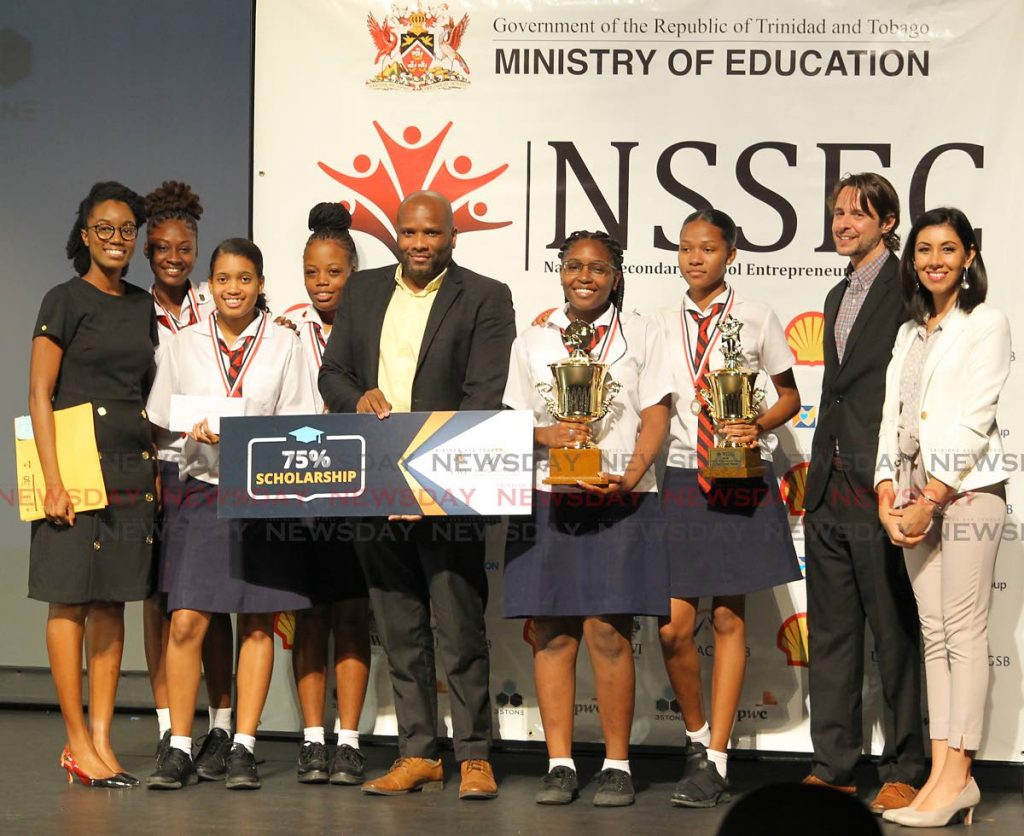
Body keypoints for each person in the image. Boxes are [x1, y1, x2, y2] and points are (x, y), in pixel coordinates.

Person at [319, 190, 515, 800]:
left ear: (452, 236)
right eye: (409, 233)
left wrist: (427, 482)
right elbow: (333, 372)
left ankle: (475, 756)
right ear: (396, 236)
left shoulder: (485, 295)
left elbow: (483, 396)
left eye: (431, 234)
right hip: (375, 483)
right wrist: (358, 398)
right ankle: (417, 753)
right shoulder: (363, 290)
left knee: (457, 623)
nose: (420, 244)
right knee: (398, 624)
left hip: (448, 484)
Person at [503, 230, 672, 807]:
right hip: (549, 492)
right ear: (560, 272)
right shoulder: (533, 339)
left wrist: (632, 474)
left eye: (598, 268)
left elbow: (656, 417)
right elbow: (514, 419)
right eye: (574, 265)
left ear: (616, 275)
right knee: (551, 632)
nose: (585, 277)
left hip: (620, 495)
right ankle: (558, 763)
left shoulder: (644, 334)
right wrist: (545, 435)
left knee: (607, 631)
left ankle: (618, 764)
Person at [145, 238, 317, 791]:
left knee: (258, 620)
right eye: (222, 279)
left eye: (244, 279)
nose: (233, 289)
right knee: (188, 618)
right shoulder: (182, 344)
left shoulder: (286, 344)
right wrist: (187, 432)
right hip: (200, 488)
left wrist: (253, 436)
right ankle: (177, 743)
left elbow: (302, 420)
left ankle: (243, 744)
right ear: (209, 285)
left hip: (263, 491)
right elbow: (159, 421)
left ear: (262, 284)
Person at [654, 209, 802, 807]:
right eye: (686, 248)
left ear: (730, 254)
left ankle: (717, 757)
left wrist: (755, 424)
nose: (695, 258)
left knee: (729, 618)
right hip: (686, 474)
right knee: (671, 626)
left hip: (739, 471)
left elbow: (790, 395)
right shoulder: (659, 323)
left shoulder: (757, 316)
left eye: (708, 248)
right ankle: (696, 736)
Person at [874, 208, 1009, 828]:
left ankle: (961, 774)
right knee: (934, 635)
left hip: (966, 493)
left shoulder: (986, 323)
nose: (934, 259)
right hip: (908, 499)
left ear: (969, 257)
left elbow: (976, 418)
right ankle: (938, 772)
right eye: (924, 248)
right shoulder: (908, 333)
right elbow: (890, 417)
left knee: (963, 631)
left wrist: (931, 496)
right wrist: (885, 489)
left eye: (947, 249)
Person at [802, 173, 926, 811]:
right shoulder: (834, 293)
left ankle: (908, 764)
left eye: (858, 213)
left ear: (887, 222)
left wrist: (905, 478)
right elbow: (838, 389)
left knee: (894, 632)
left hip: (881, 483)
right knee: (831, 633)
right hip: (827, 484)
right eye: (838, 212)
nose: (844, 222)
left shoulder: (910, 285)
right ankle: (835, 764)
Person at [28, 181, 155, 787]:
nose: (115, 239)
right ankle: (75, 740)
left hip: (130, 466)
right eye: (104, 228)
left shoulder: (141, 303)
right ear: (85, 234)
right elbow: (39, 394)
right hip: (73, 464)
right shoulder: (63, 298)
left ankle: (102, 740)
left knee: (112, 601)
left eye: (126, 229)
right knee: (69, 598)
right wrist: (53, 480)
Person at [142, 180, 234, 772]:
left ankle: (221, 725)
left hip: (216, 471)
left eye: (184, 248)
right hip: (155, 462)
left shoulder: (216, 300)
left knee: (213, 600)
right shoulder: (134, 309)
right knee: (162, 600)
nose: (175, 258)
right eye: (162, 249)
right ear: (149, 251)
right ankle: (167, 726)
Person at [289, 203, 372, 786]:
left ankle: (349, 739)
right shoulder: (286, 328)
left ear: (353, 272)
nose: (322, 283)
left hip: (360, 484)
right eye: (313, 272)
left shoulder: (372, 324)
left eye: (334, 272)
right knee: (308, 614)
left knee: (352, 612)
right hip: (297, 488)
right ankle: (312, 739)